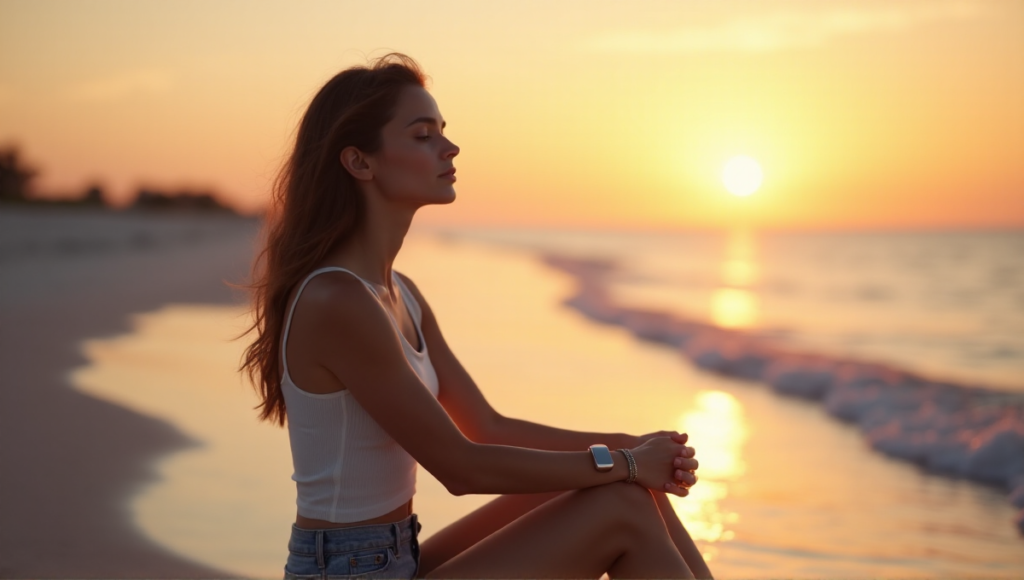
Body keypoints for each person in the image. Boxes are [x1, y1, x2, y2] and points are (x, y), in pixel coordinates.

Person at [242, 53, 711, 580]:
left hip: (395, 557)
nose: (450, 146)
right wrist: (624, 462)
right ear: (360, 163)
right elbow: (462, 467)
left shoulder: (401, 294)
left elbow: (486, 428)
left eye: (442, 131)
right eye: (423, 135)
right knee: (621, 502)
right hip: (348, 570)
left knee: (629, 489)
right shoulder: (337, 301)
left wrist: (629, 449)